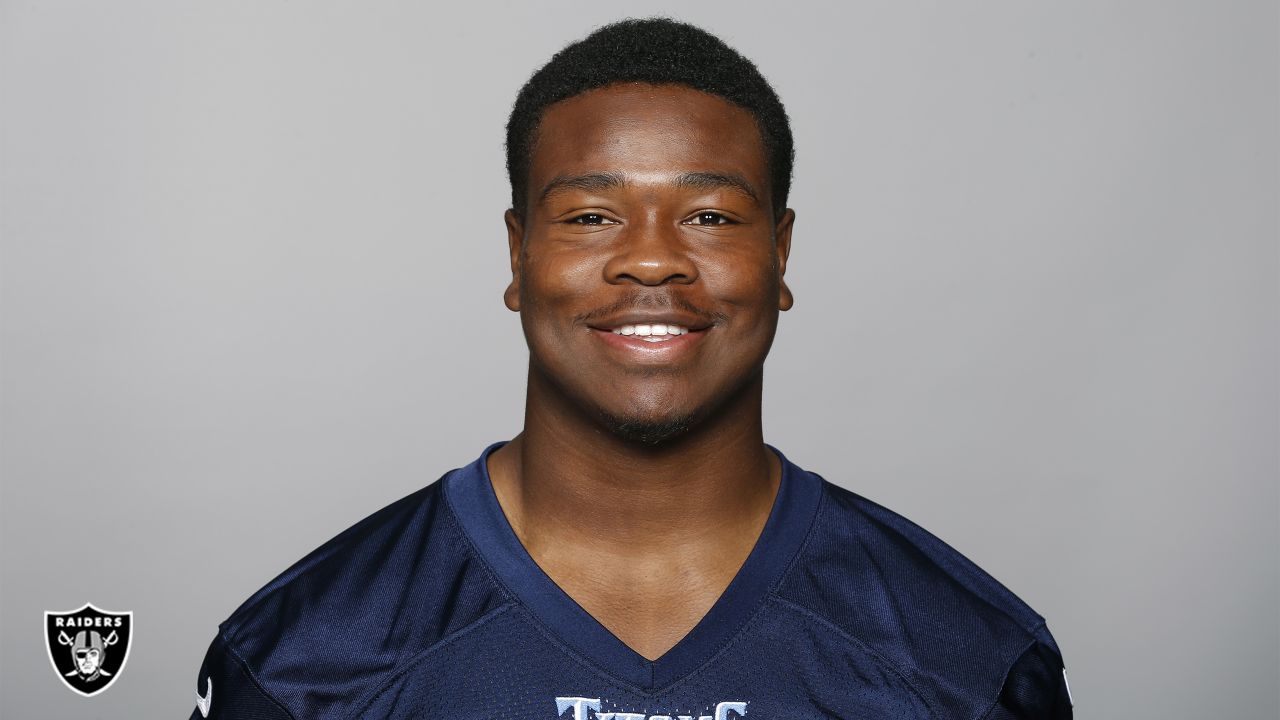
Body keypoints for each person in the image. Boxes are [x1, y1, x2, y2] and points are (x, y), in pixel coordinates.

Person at [188, 18, 1073, 720]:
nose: (652, 261)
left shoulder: (966, 665)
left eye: (713, 218)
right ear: (517, 253)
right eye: (589, 217)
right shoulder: (305, 664)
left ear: (782, 252)